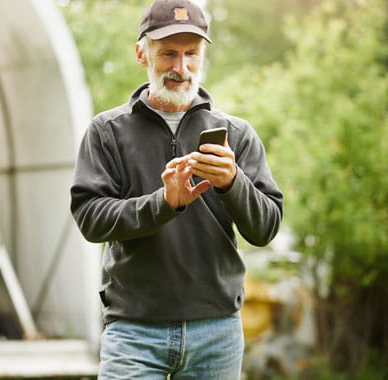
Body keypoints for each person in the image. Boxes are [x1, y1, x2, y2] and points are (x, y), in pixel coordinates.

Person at [69, 0, 284, 379]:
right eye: (168, 53)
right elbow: (91, 220)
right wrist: (164, 202)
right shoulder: (107, 132)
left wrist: (232, 183)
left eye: (191, 53)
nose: (181, 67)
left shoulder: (237, 136)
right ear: (142, 54)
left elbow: (265, 229)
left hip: (216, 333)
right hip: (133, 332)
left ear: (203, 57)